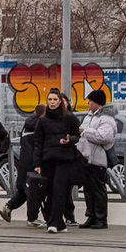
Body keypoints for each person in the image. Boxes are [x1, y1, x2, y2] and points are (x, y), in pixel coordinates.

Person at [34, 87, 81, 234]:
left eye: (55, 99)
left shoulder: (69, 118)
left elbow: (76, 135)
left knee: (59, 190)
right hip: (48, 159)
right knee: (49, 191)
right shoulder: (42, 120)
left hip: (64, 159)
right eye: (50, 100)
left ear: (60, 101)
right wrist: (37, 163)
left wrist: (69, 140)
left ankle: (54, 222)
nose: (52, 102)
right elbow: (38, 142)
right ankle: (56, 222)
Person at [77, 88, 118, 229]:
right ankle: (91, 216)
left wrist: (85, 131)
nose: (88, 103)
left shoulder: (106, 119)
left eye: (91, 101)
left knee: (98, 189)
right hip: (86, 157)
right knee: (88, 189)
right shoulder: (89, 117)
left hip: (99, 158)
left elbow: (103, 137)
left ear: (98, 103)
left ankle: (101, 218)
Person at [0, 109, 43, 225]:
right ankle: (33, 218)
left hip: (24, 161)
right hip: (35, 163)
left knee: (24, 189)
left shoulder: (28, 125)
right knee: (34, 191)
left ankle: (8, 207)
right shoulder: (39, 128)